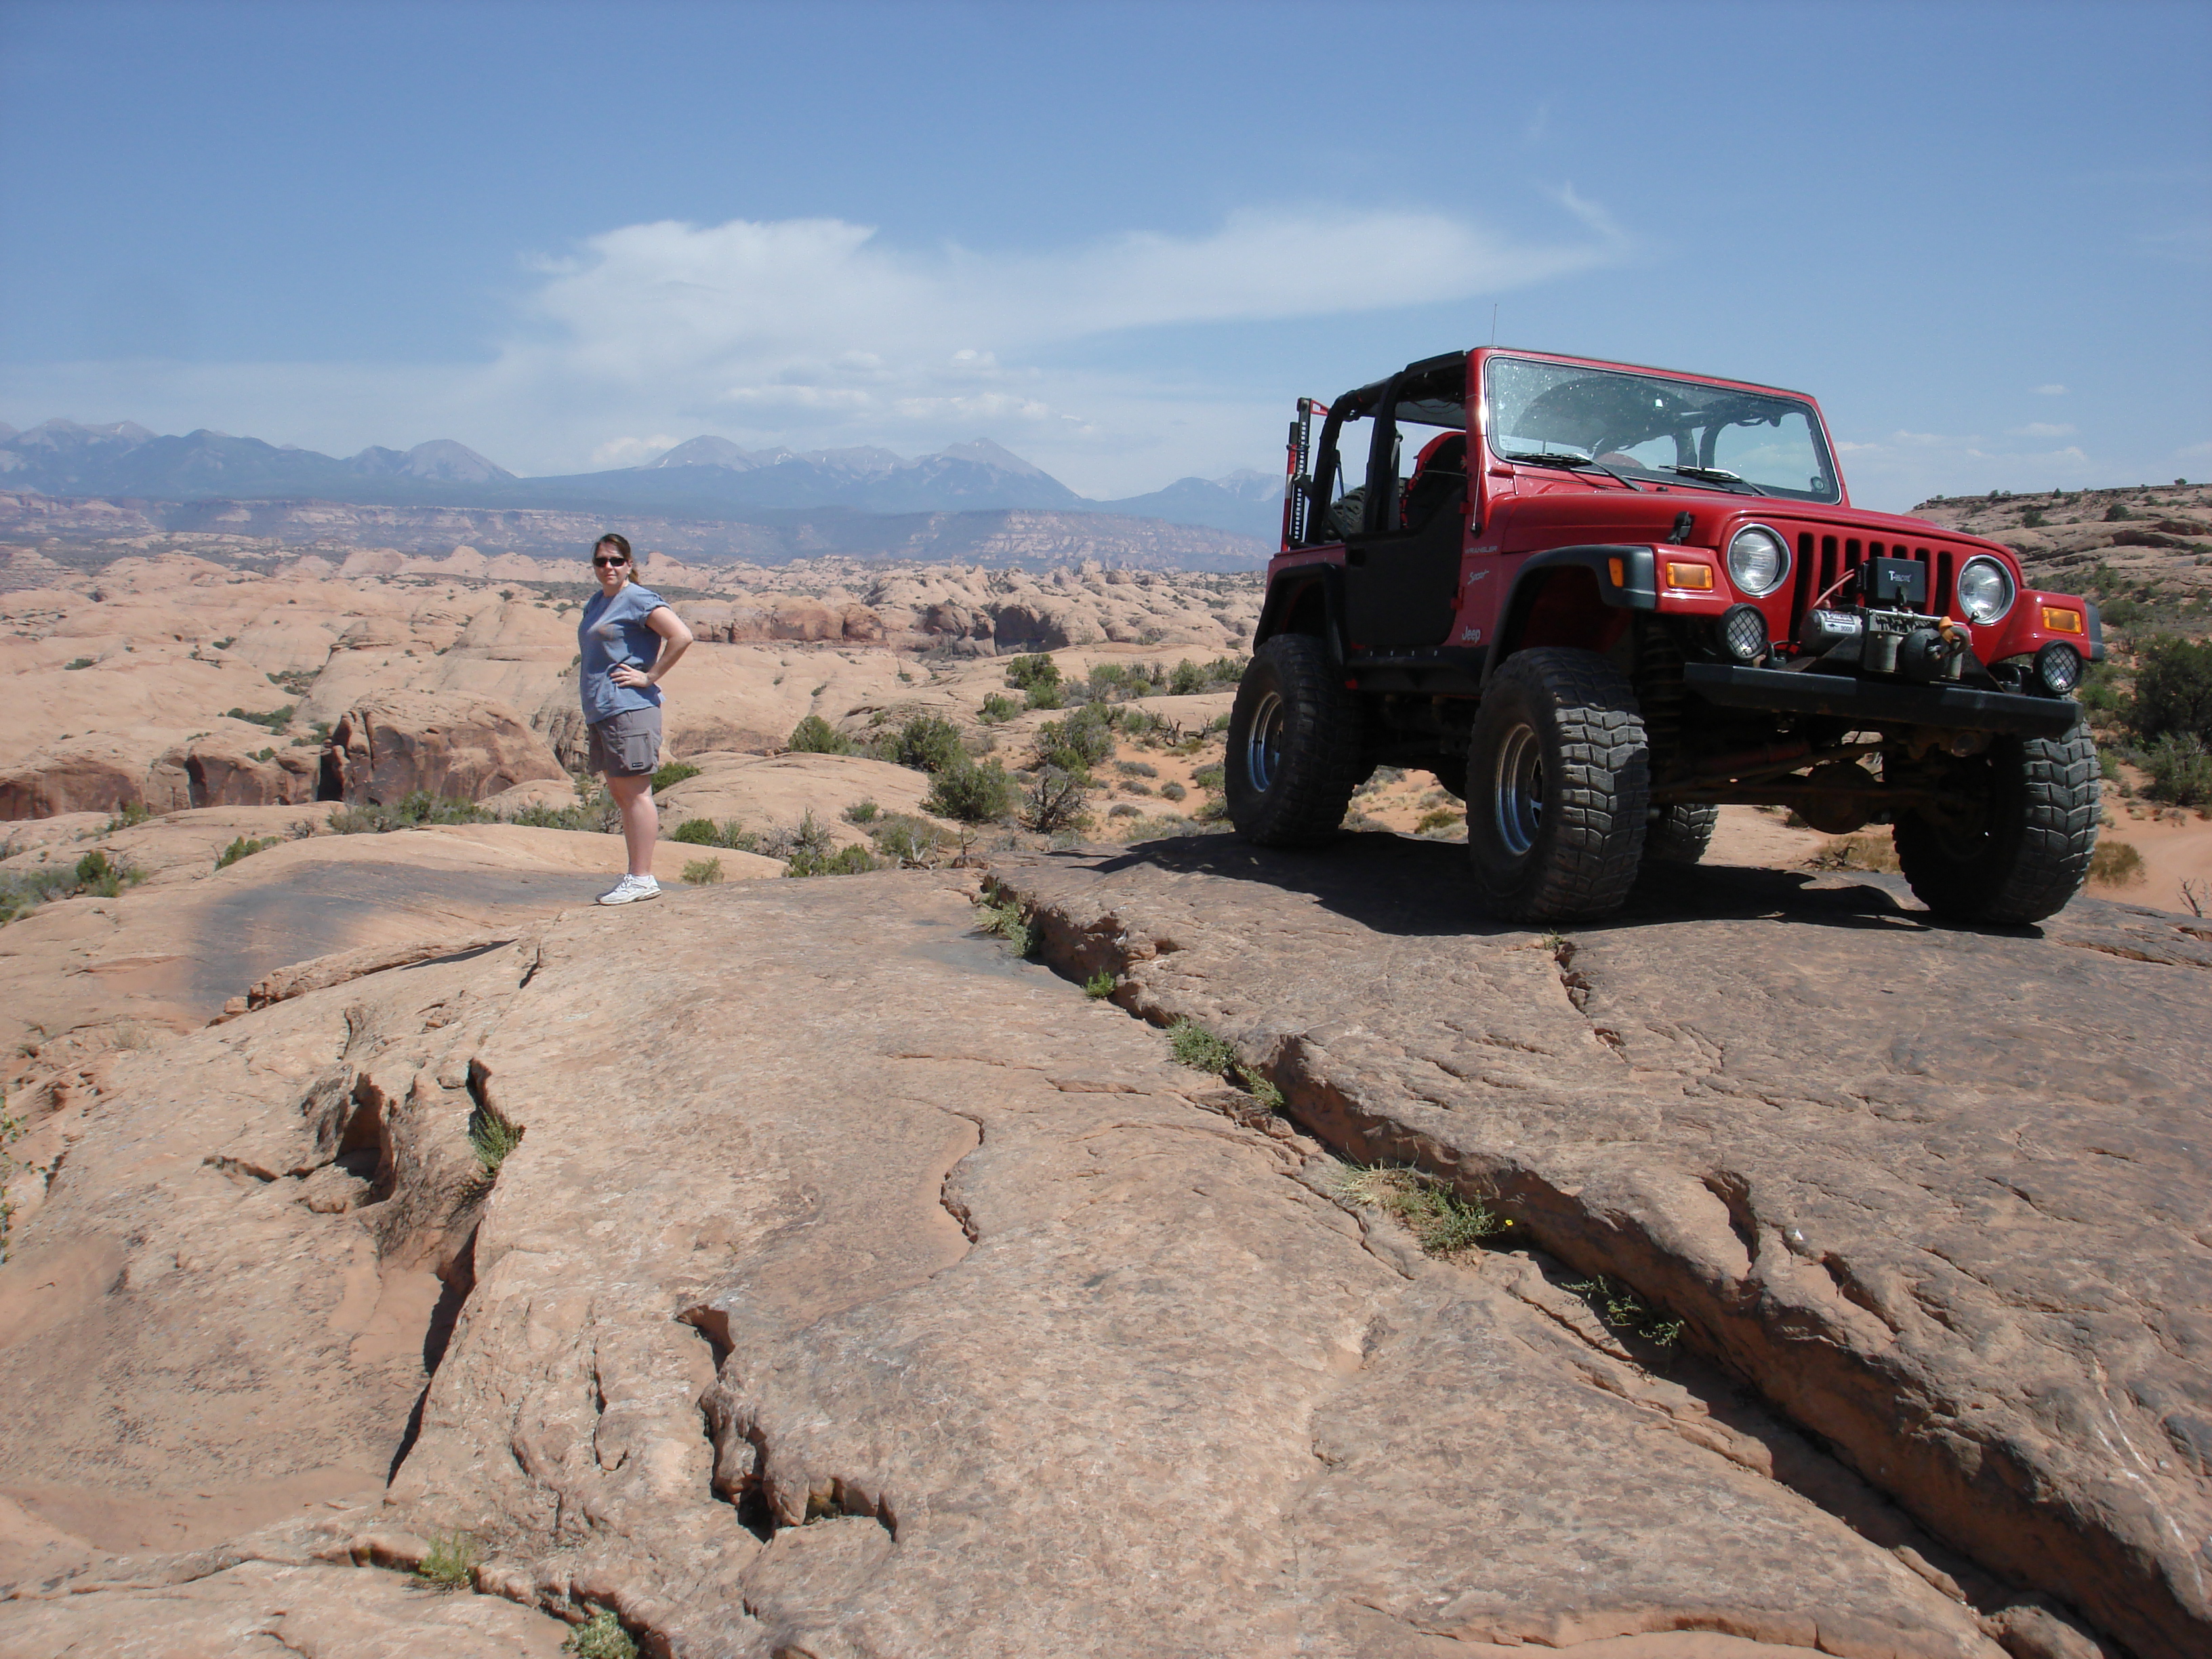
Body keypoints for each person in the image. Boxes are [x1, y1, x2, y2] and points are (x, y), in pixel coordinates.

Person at [577, 532, 693, 904]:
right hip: (606, 709)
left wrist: (649, 676)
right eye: (601, 561)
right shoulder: (598, 601)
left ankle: (642, 878)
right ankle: (636, 874)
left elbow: (681, 636)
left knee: (636, 793)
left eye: (616, 561)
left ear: (629, 564)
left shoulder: (638, 599)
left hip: (630, 709)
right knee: (622, 792)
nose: (608, 567)